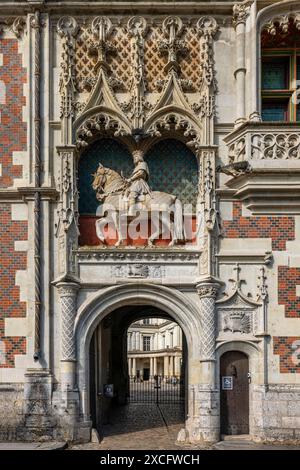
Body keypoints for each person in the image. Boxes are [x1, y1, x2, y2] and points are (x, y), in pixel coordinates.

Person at [125, 150, 151, 216]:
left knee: (132, 194)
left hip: (140, 182)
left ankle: (131, 212)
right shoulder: (136, 167)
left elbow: (140, 173)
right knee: (126, 191)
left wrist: (130, 179)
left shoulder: (143, 164)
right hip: (135, 182)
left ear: (139, 157)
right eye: (134, 158)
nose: (134, 159)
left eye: (136, 157)